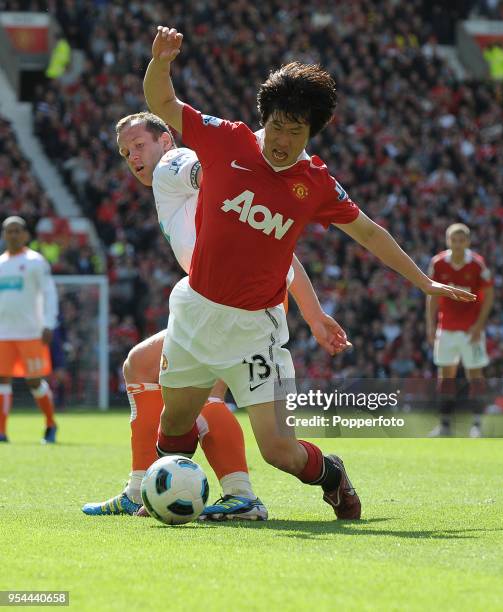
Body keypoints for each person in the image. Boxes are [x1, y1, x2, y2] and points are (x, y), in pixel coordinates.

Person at [143, 26, 475, 520]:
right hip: (195, 313)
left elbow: (369, 233)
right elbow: (163, 102)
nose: (282, 140)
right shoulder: (224, 140)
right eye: (277, 126)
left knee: (278, 450)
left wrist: (424, 282)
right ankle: (167, 495)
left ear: (312, 132)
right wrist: (160, 61)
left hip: (257, 329)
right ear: (265, 119)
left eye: (296, 131)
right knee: (174, 424)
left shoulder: (315, 183)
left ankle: (332, 474)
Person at [82, 112, 348, 520]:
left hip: (245, 309)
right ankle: (141, 488)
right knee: (140, 364)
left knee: (212, 401)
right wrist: (313, 315)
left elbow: (216, 174)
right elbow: (278, 246)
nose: (132, 156)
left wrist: (313, 315)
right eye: (125, 152)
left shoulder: (176, 163)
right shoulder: (174, 187)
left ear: (166, 141)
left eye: (139, 145)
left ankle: (241, 493)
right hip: (209, 306)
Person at [426, 223, 494, 437]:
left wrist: (479, 326)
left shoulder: (477, 265)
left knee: (475, 375)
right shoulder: (438, 263)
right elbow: (432, 295)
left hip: (471, 331)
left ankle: (477, 425)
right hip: (446, 329)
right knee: (446, 376)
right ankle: (445, 426)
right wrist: (430, 324)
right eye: (453, 240)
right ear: (448, 241)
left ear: (468, 242)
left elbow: (489, 296)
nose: (457, 244)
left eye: (461, 240)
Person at [0, 216, 59, 444]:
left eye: (17, 231)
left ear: (25, 235)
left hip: (30, 332)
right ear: (4, 235)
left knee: (33, 381)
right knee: (2, 379)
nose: (13, 235)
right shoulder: (1, 264)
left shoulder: (36, 261)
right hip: (4, 332)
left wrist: (48, 323)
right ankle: (2, 432)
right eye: (9, 231)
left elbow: (49, 293)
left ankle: (50, 424)